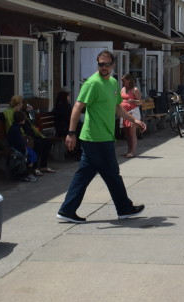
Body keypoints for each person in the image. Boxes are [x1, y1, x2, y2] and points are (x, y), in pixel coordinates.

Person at [57, 50, 145, 223]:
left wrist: (133, 120)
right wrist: (71, 133)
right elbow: (77, 107)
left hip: (105, 136)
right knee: (112, 174)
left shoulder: (113, 83)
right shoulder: (92, 83)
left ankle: (67, 210)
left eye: (106, 64)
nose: (103, 67)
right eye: (100, 64)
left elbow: (117, 108)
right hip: (94, 138)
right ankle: (125, 208)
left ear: (113, 65)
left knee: (85, 174)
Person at [3, 96, 55, 173]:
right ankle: (35, 167)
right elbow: (3, 116)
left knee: (47, 141)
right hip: (24, 137)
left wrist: (28, 111)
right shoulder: (10, 112)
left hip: (32, 134)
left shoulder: (22, 111)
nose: (22, 104)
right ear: (18, 103)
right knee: (38, 144)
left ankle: (44, 166)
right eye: (21, 103)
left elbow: (30, 122)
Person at [7, 111, 41, 181]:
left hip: (14, 147)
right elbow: (19, 143)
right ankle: (28, 174)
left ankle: (28, 173)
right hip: (17, 149)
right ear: (23, 120)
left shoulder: (13, 127)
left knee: (31, 153)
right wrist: (24, 149)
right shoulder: (17, 129)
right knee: (31, 155)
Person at [119, 76, 147, 158]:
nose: (122, 82)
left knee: (132, 133)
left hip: (132, 112)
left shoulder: (135, 90)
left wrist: (134, 101)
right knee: (126, 133)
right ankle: (128, 151)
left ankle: (132, 151)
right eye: (122, 81)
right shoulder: (123, 89)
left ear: (129, 80)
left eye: (124, 81)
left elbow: (141, 102)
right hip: (124, 113)